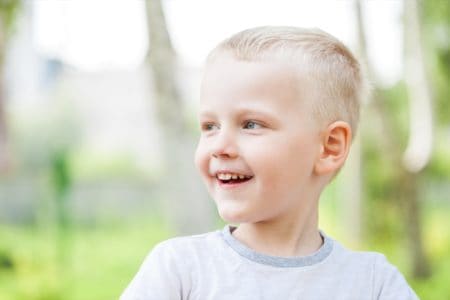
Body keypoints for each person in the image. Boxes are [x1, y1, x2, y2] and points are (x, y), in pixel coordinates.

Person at [121, 26, 418, 300]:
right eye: (210, 126)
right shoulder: (179, 270)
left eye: (250, 124)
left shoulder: (373, 284)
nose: (220, 147)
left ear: (329, 146)